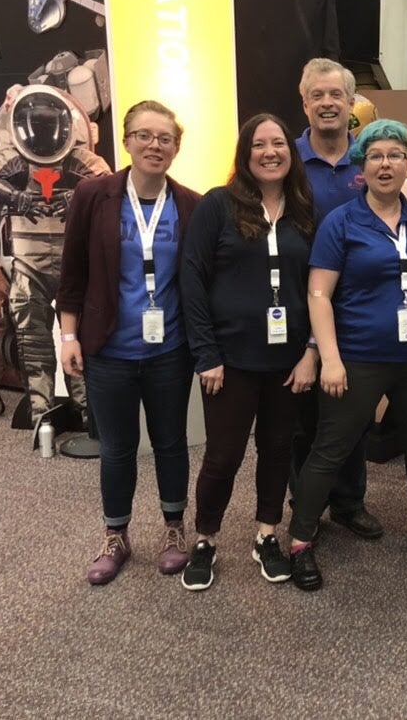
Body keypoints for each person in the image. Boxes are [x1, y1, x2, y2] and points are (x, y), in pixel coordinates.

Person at [288, 119, 407, 591]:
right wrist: (328, 358)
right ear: (362, 164)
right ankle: (299, 540)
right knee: (330, 450)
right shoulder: (342, 222)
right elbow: (319, 295)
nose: (385, 164)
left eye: (396, 155)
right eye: (375, 155)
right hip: (356, 357)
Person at [57, 100, 201, 585]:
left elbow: (199, 281)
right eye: (144, 135)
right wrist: (69, 335)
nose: (154, 145)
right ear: (126, 139)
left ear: (176, 147)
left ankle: (174, 528)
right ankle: (115, 535)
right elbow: (72, 273)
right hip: (109, 350)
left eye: (165, 138)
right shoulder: (93, 196)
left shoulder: (190, 204)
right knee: (117, 448)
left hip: (170, 351)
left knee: (170, 442)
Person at [177, 114, 319, 591]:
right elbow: (192, 280)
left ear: (290, 152)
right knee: (222, 456)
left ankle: (266, 534)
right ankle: (205, 539)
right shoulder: (218, 205)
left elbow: (319, 288)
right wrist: (206, 354)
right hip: (230, 360)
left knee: (278, 450)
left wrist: (312, 352)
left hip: (289, 358)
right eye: (259, 144)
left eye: (279, 143)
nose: (270, 152)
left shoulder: (303, 209)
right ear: (245, 153)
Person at [0, 84, 111, 428]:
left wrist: (80, 196)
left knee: (79, 341)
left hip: (74, 265)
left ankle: (88, 413)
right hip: (27, 262)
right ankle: (42, 412)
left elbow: (110, 187)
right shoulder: (12, 158)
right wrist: (16, 198)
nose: (44, 132)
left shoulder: (81, 158)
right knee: (33, 341)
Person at [290, 58, 382, 540]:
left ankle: (348, 502)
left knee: (354, 415)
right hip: (296, 301)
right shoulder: (282, 158)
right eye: (317, 95)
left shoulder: (369, 160)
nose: (327, 103)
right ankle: (304, 502)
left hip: (358, 307)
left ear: (351, 104)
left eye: (336, 95)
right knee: (302, 418)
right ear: (304, 102)